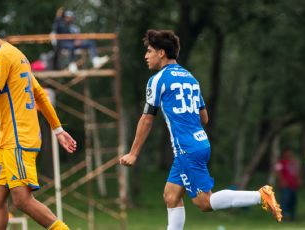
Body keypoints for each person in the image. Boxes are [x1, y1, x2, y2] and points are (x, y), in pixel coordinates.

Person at [119, 29, 282, 229]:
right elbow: (204, 117)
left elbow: (146, 119)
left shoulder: (157, 80)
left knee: (204, 202)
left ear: (161, 53)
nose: (146, 56)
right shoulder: (191, 79)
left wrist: (134, 153)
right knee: (171, 196)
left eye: (150, 51)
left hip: (186, 148)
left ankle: (260, 196)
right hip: (200, 142)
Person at [0, 11, 77, 230]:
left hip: (18, 139)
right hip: (8, 140)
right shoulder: (16, 54)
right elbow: (39, 94)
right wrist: (57, 129)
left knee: (21, 199)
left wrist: (57, 129)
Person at [275, 149, 301, 221]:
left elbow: (296, 172)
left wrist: (298, 179)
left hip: (293, 185)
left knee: (293, 200)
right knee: (285, 200)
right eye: (287, 153)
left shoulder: (293, 162)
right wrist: (282, 180)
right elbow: (278, 172)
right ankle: (283, 216)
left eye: (290, 153)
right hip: (285, 185)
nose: (289, 154)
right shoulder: (281, 162)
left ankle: (292, 215)